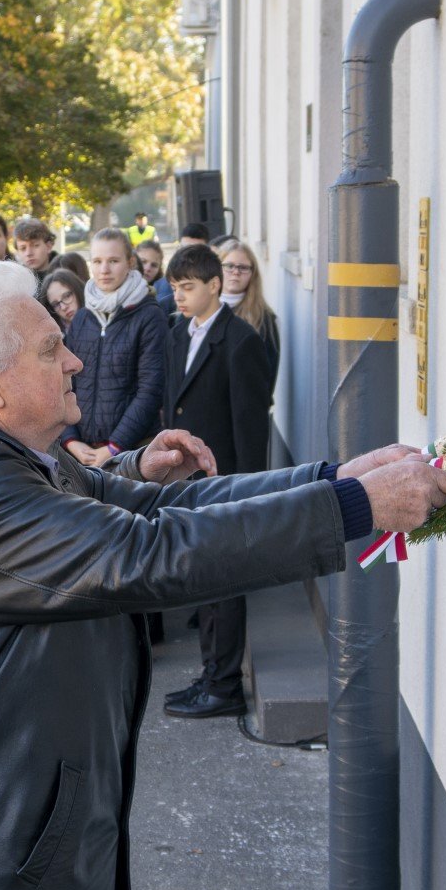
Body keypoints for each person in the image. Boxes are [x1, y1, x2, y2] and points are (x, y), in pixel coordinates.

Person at [0, 262, 446, 890]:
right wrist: (352, 507)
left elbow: (145, 510)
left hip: (13, 841)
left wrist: (333, 478)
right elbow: (145, 553)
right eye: (51, 349)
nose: (75, 362)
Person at [159, 245, 274, 717]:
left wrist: (247, 493)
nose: (180, 297)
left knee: (224, 585)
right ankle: (209, 674)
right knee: (202, 583)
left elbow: (250, 427)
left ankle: (224, 686)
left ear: (214, 285)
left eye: (188, 288)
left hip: (224, 483)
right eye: (174, 289)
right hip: (187, 483)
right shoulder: (177, 334)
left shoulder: (241, 341)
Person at [59, 228, 167, 466]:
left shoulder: (149, 315)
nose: (104, 270)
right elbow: (65, 380)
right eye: (97, 261)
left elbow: (150, 390)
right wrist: (70, 439)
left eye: (113, 261)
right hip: (82, 452)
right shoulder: (82, 318)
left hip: (133, 451)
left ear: (130, 262)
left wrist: (114, 447)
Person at [219, 242, 281, 384]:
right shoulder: (202, 310)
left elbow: (268, 375)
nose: (236, 272)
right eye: (229, 266)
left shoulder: (263, 319)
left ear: (253, 274)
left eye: (243, 267)